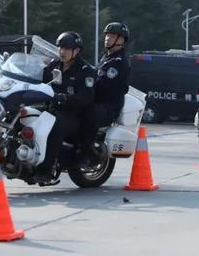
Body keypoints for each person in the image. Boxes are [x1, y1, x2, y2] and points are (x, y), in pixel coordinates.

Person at [38, 31, 95, 185]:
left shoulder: (85, 71)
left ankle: (47, 170)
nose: (62, 51)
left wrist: (65, 98)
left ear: (76, 51)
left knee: (55, 127)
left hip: (73, 115)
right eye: (61, 48)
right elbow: (39, 81)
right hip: (51, 109)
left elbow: (86, 98)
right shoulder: (54, 65)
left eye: (67, 48)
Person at [78, 22, 131, 165]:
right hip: (97, 100)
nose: (107, 38)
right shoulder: (106, 58)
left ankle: (85, 153)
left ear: (121, 40)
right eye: (107, 35)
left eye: (112, 35)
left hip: (108, 106)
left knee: (90, 112)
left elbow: (103, 86)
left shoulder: (120, 62)